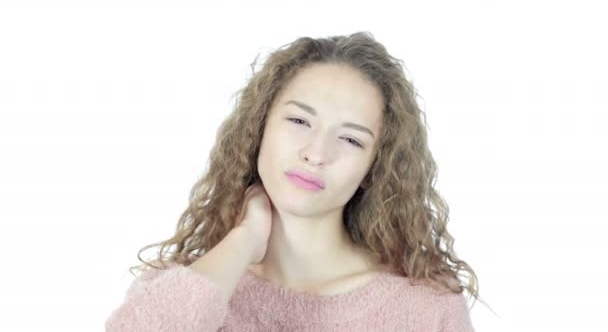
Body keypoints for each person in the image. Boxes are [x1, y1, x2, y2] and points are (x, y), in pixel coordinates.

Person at [105, 31, 485, 331]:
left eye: (351, 139)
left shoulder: (425, 309)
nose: (316, 153)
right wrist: (243, 241)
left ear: (374, 167)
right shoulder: (190, 288)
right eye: (300, 121)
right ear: (259, 130)